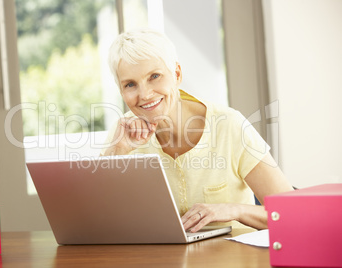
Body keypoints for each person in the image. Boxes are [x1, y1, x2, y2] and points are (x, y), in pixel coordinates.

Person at [101, 28, 293, 232]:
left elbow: (292, 213)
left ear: (176, 74)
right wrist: (117, 154)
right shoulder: (123, 133)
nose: (145, 94)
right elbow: (97, 220)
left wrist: (234, 210)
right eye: (130, 84)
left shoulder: (229, 125)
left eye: (154, 76)